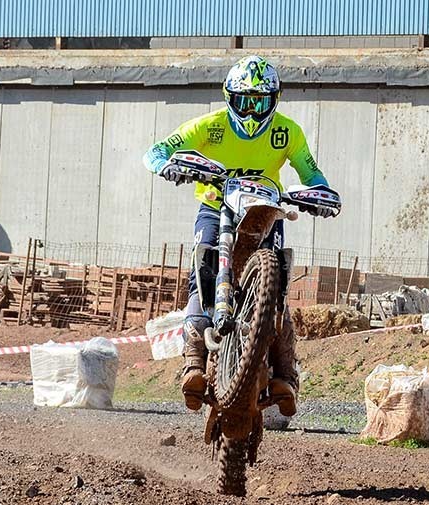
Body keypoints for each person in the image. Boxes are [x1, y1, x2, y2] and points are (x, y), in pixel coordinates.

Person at [142, 55, 337, 416]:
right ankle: (194, 364)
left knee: (276, 286)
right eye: (244, 101)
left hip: (265, 211)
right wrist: (166, 165)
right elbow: (157, 150)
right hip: (216, 207)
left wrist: (321, 194)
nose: (251, 111)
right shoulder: (211, 125)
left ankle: (285, 375)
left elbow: (311, 171)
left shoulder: (287, 131)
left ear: (273, 100)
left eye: (259, 102)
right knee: (201, 274)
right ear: (229, 97)